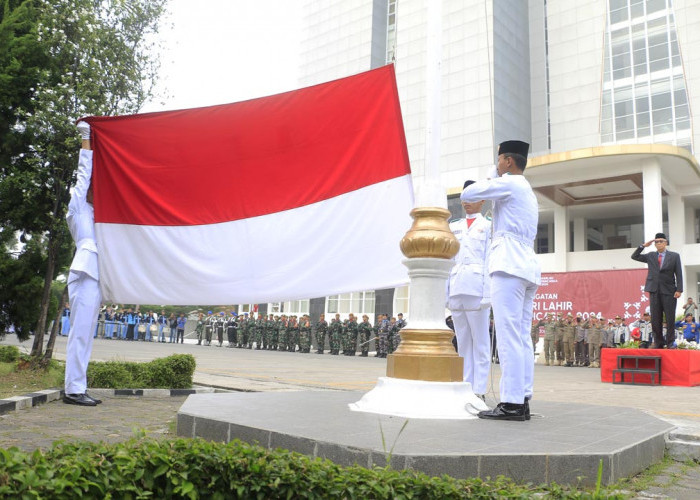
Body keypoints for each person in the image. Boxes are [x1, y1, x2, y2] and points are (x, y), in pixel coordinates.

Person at [461, 140, 540, 421]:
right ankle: (522, 397)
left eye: (499, 160)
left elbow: (469, 192)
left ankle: (511, 403)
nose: (497, 165)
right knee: (521, 336)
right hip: (526, 266)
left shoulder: (510, 183)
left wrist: (492, 175)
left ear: (507, 161)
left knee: (508, 337)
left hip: (508, 264)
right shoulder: (526, 190)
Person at [63, 121, 102, 407]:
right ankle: (73, 390)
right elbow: (82, 176)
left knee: (87, 334)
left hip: (98, 273)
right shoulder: (78, 206)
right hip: (85, 270)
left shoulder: (100, 212)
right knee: (80, 332)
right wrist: (86, 140)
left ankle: (79, 386)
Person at [447, 182, 492, 398]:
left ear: (482, 199)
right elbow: (448, 260)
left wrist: (488, 293)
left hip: (477, 288)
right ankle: (466, 386)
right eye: (463, 198)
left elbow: (489, 261)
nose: (466, 203)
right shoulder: (454, 225)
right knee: (463, 342)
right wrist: (446, 293)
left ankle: (479, 390)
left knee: (481, 342)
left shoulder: (489, 224)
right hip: (457, 287)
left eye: (471, 197)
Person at [631, 233, 683, 348]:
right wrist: (643, 246)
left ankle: (670, 343)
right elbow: (634, 256)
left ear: (666, 243)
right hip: (654, 290)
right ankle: (658, 342)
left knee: (670, 318)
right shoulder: (650, 256)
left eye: (661, 241)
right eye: (656, 242)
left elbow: (678, 273)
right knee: (655, 318)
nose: (658, 243)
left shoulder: (674, 256)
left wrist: (679, 289)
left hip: (669, 291)